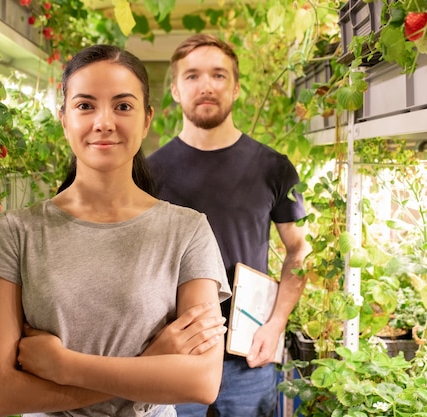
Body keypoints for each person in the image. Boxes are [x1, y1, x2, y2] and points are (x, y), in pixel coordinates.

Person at [0, 44, 232, 417]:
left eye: (123, 106)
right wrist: (153, 363)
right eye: (85, 105)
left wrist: (64, 367)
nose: (104, 122)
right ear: (64, 118)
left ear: (147, 119)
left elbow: (200, 382)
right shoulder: (16, 233)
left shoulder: (187, 231)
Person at [146, 34, 311, 417]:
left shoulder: (274, 167)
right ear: (174, 89)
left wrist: (276, 325)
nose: (206, 85)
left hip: (248, 352)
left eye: (218, 75)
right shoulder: (149, 173)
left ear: (236, 88)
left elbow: (299, 250)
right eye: (192, 76)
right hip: (175, 355)